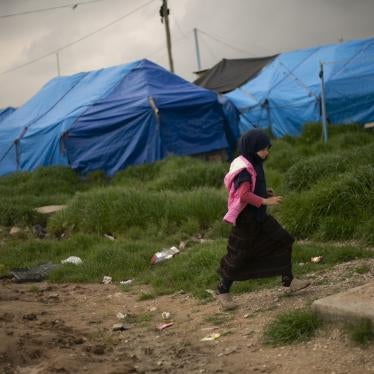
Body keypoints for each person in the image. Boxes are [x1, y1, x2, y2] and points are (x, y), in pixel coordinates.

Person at [216, 129, 310, 310]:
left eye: (267, 148)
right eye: (262, 149)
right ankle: (222, 290)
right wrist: (266, 200)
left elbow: (251, 189)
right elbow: (243, 195)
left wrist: (262, 192)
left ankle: (288, 280)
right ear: (251, 149)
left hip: (259, 217)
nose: (266, 153)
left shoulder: (254, 161)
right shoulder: (244, 169)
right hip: (247, 220)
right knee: (238, 256)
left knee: (283, 239)